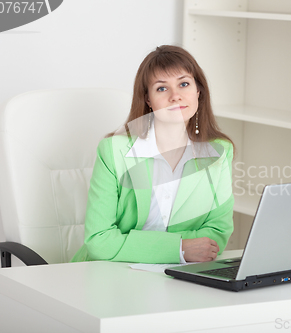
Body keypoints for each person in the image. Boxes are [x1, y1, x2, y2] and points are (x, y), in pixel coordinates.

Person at [71, 45, 235, 264]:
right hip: (111, 271)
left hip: (181, 275)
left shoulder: (219, 152)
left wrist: (145, 247)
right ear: (148, 99)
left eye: (184, 84)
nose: (175, 96)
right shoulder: (113, 151)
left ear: (198, 91)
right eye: (161, 88)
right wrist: (179, 248)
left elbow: (217, 233)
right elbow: (99, 241)